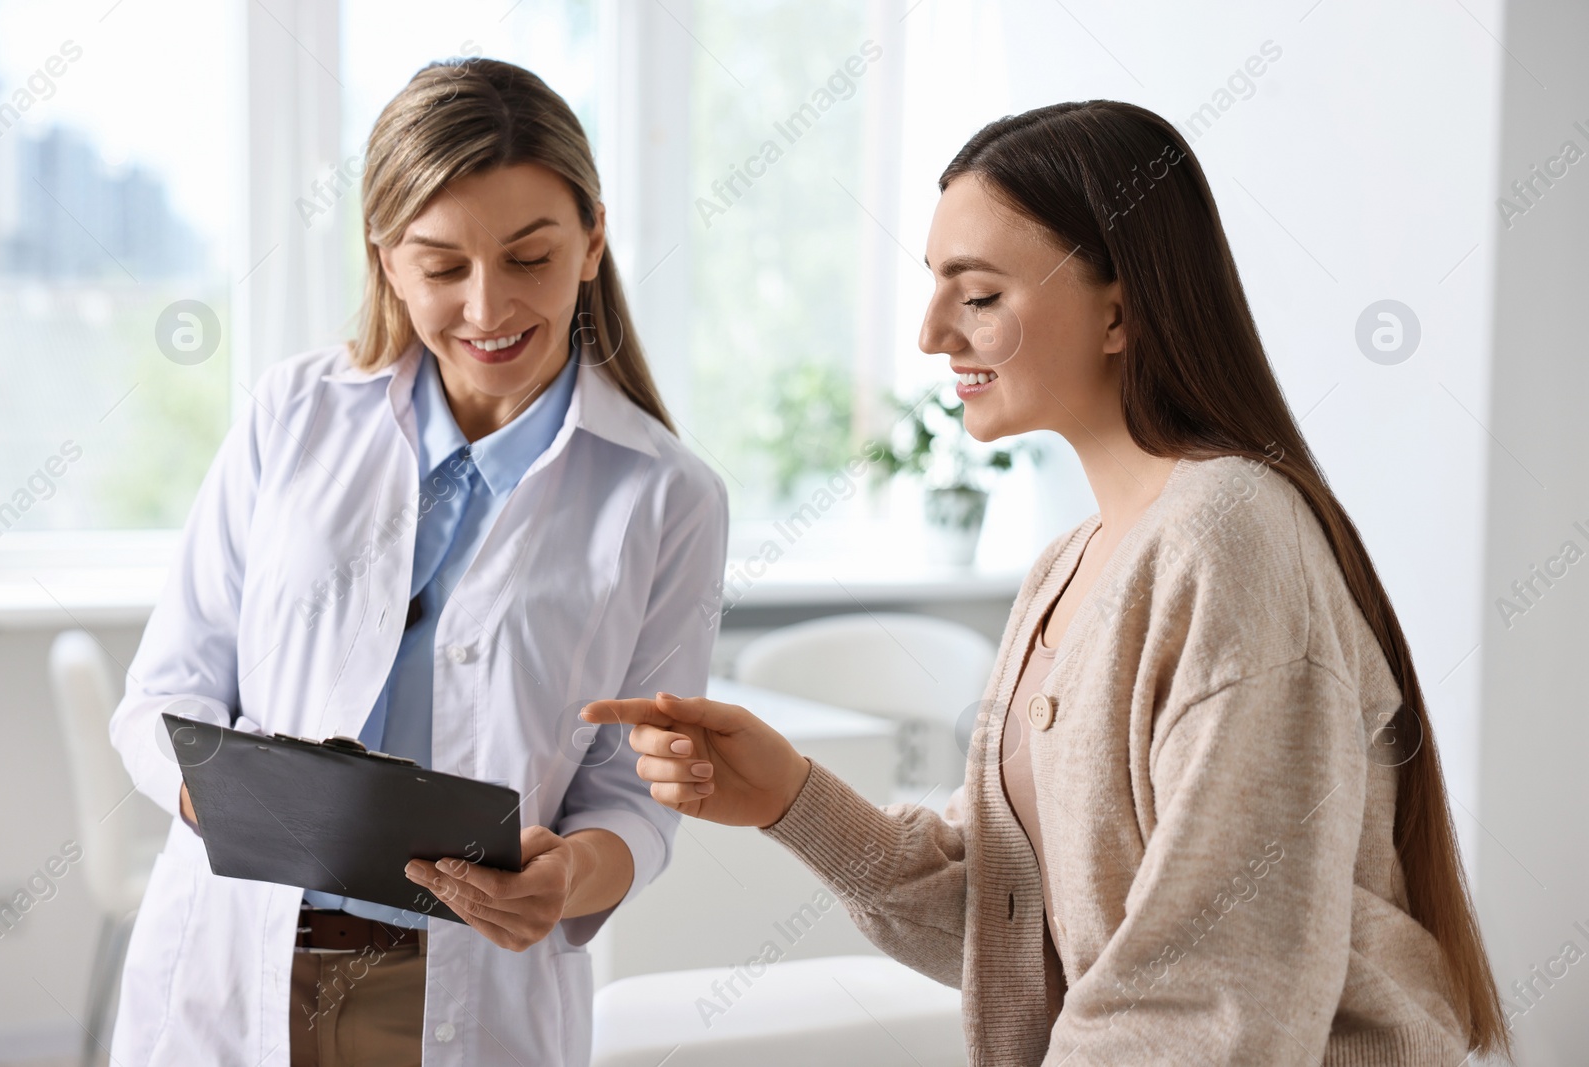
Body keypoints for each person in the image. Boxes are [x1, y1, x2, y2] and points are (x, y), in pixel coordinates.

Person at [582, 100, 1511, 1065]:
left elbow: (1209, 1001)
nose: (932, 333)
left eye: (976, 295)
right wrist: (791, 797)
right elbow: (1020, 931)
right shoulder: (1068, 565)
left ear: (1121, 309)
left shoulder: (1230, 538)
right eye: (935, 289)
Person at [108, 59, 726, 1066]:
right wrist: (237, 801)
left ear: (593, 241)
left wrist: (569, 875)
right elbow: (160, 697)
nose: (488, 308)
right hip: (233, 965)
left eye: (530, 257)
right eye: (442, 267)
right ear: (385, 259)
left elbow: (631, 801)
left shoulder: (667, 496)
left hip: (464, 991)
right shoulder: (291, 415)